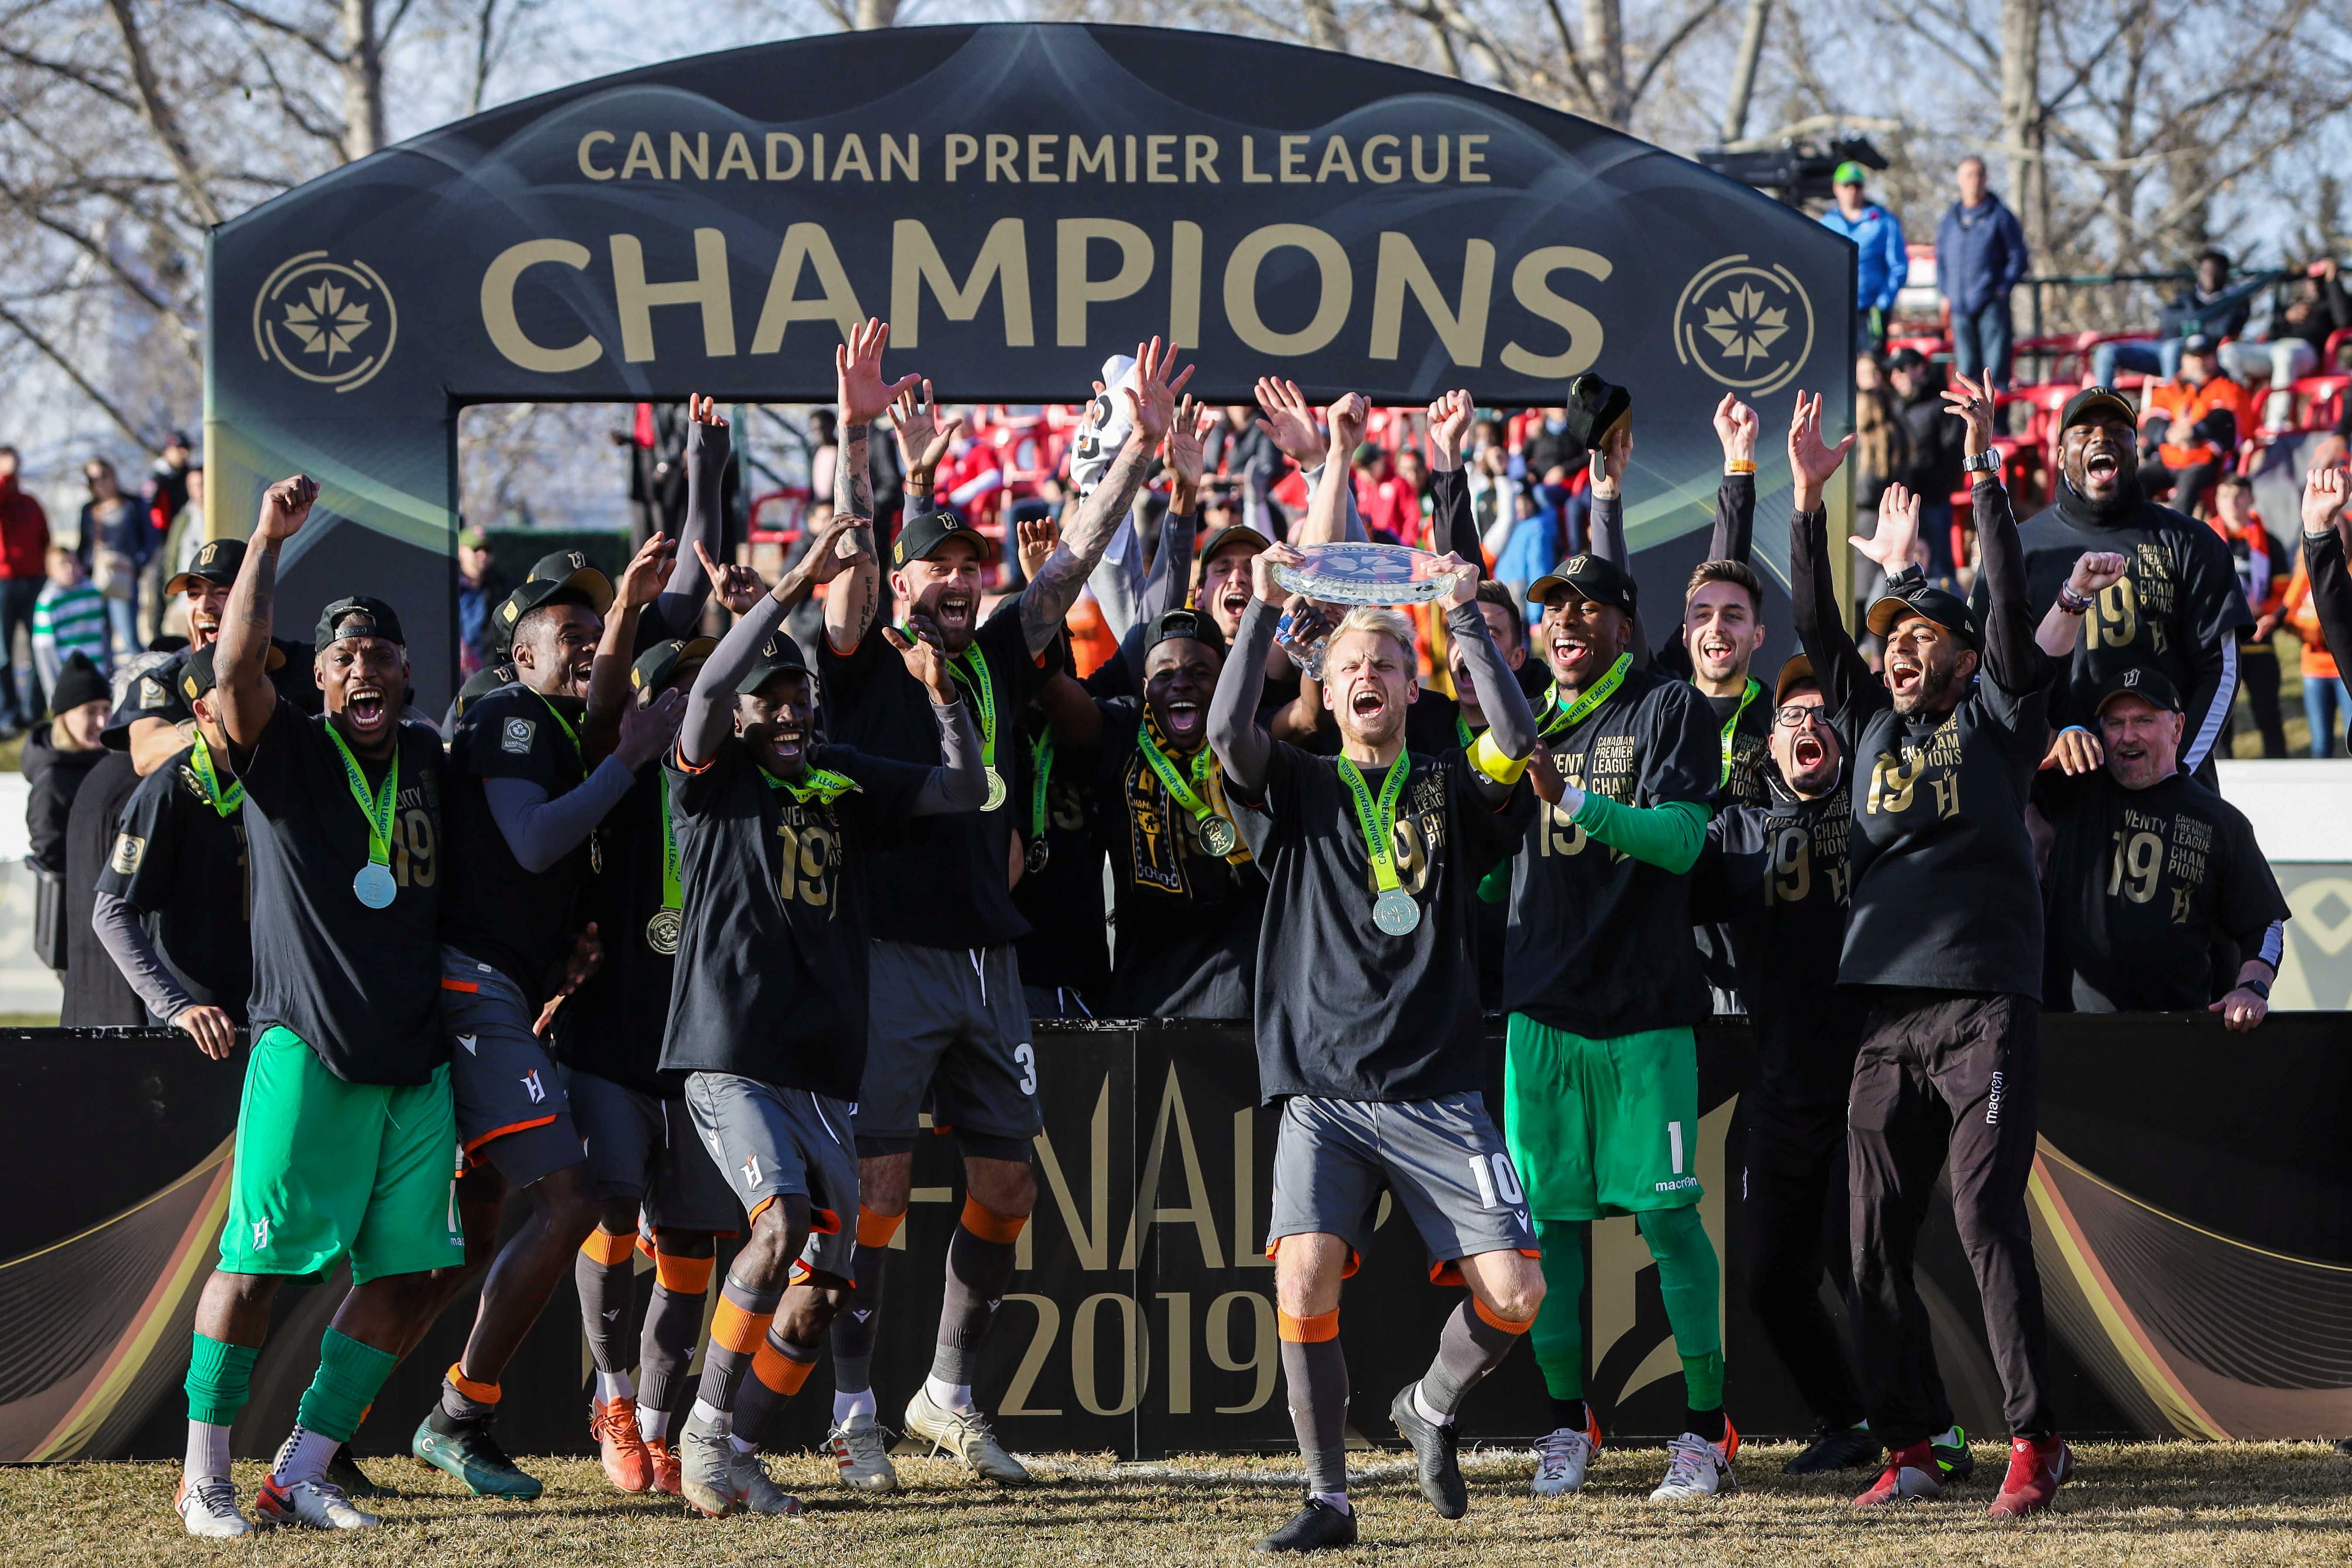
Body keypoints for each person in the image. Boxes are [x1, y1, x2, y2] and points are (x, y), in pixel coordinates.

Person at [817, 322, 1172, 1488]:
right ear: (898, 580)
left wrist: (1139, 455)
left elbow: (1068, 559)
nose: (962, 578)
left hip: (991, 963)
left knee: (1009, 1183)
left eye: (973, 563)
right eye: (940, 564)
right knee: (873, 1194)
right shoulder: (864, 657)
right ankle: (854, 1406)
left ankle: (947, 1391)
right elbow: (847, 556)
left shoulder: (1003, 653)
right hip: (890, 956)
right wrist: (859, 434)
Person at [1208, 529, 1540, 1552]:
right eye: (1349, 664)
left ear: (1410, 684)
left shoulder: (1446, 780)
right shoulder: (1300, 782)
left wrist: (1462, 611)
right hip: (1323, 1084)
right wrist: (1264, 606)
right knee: (1300, 1272)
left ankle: (1430, 1406)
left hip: (1439, 1083)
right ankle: (1329, 1497)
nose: (1366, 677)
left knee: (1518, 1295)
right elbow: (1227, 731)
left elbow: (1518, 740)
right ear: (1329, 681)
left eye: (1386, 665)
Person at [1790, 376, 2072, 1518]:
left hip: (1983, 1007)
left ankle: (2034, 1438)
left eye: (1922, 639)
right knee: (1863, 1240)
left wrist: (1987, 472)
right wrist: (1805, 506)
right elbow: (1816, 627)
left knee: (1983, 1220)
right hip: (1883, 1014)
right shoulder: (1864, 723)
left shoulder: (1998, 714)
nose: (1901, 654)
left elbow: (2007, 609)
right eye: (1892, 641)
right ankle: (1906, 1443)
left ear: (1962, 655)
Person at [665, 543, 986, 1520]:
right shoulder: (713, 780)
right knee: (780, 1226)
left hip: (820, 1069)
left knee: (829, 1276)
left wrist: (945, 699)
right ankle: (703, 1432)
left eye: (799, 694)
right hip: (732, 1052)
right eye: (772, 699)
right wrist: (793, 589)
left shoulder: (842, 776)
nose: (790, 710)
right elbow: (715, 681)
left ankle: (745, 1445)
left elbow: (963, 789)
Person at [172, 475, 459, 1537]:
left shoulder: (430, 756)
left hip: (415, 1061)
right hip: (310, 1046)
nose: (361, 668)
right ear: (322, 680)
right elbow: (234, 664)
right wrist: (267, 543)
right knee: (252, 1269)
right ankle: (205, 1473)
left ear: (408, 673)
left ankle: (301, 1468)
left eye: (380, 655)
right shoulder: (286, 747)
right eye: (342, 657)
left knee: (419, 1270)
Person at [407, 532, 683, 1501]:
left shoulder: (559, 729)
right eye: (562, 631)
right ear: (518, 654)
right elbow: (528, 842)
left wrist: (566, 944)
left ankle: (333, 1427)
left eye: (588, 631)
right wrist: (631, 760)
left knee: (462, 1240)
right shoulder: (512, 717)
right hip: (472, 990)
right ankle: (460, 1410)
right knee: (569, 1201)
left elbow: (530, 871)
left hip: (503, 989)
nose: (579, 647)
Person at [556, 395, 773, 1497]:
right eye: (673, 678)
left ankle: (651, 1410)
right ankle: (607, 1391)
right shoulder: (626, 749)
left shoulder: (741, 783)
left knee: (689, 1241)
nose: (692, 692)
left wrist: (709, 468)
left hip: (703, 1042)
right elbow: (605, 702)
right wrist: (699, 467)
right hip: (613, 1025)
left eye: (708, 678)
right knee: (610, 1215)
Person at [1498, 539, 1735, 1502]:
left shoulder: (1667, 705)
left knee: (1668, 1216)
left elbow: (1682, 841)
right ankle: (1567, 1422)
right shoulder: (1522, 720)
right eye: (1554, 606)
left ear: (1627, 626)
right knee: (1547, 1229)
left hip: (1643, 1009)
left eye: (1587, 608)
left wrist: (1578, 798)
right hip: (1540, 1013)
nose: (1565, 621)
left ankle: (1703, 1427)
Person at [1687, 655, 1878, 1477]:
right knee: (1768, 1276)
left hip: (1874, 1078)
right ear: (1766, 743)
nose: (1808, 725)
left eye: (1822, 713)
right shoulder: (1736, 830)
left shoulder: (1877, 811)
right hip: (1781, 1084)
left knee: (1864, 1261)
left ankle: (1924, 1424)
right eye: (1791, 715)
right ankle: (1846, 1419)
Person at [1986, 385, 2250, 783]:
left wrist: (2176, 775)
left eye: (2116, 429)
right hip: (2057, 797)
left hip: (2171, 790)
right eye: (2084, 431)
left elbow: (2221, 670)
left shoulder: (2192, 541)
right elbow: (1992, 678)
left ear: (2137, 448)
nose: (2101, 437)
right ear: (2060, 456)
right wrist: (2041, 746)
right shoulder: (2019, 548)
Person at [2032, 665, 2287, 1022]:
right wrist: (2062, 736)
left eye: (2144, 721)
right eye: (2115, 723)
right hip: (2071, 1028)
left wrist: (2252, 989)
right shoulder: (2075, 789)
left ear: (2178, 728)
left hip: (2178, 1034)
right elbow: (2007, 733)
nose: (2128, 736)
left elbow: (2266, 924)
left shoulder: (2222, 822)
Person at [1047, 606, 1265, 1019]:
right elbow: (1061, 697)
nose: (1182, 682)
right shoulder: (1123, 728)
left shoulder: (1250, 737)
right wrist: (1047, 595)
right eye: (1165, 674)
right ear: (1146, 687)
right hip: (1146, 987)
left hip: (1244, 981)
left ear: (1224, 684)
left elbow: (1306, 720)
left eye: (1201, 673)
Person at [91, 644, 252, 1052]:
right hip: (201, 1037)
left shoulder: (276, 774)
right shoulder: (168, 788)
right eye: (235, 688)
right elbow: (110, 914)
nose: (255, 695)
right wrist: (176, 1007)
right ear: (202, 712)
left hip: (274, 1021)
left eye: (259, 682)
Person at [103, 537, 319, 777]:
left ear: (259, 603)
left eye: (221, 592)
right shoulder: (164, 678)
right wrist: (218, 733)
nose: (204, 606)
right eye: (194, 594)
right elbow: (146, 753)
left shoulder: (305, 663)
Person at [2209, 475, 2290, 757]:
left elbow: (2283, 594)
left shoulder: (2271, 543)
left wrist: (2266, 614)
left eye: (2239, 495)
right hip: (2218, 645)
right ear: (2216, 501)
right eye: (2225, 495)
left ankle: (2279, 779)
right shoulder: (2203, 541)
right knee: (2217, 724)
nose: (2232, 503)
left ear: (2251, 499)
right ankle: (2215, 792)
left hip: (2259, 640)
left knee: (2268, 715)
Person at [1935, 158, 2031, 390]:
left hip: (1991, 305)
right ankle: (1969, 425)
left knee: (1995, 371)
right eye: (1969, 175)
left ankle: (1998, 425)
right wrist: (1946, 293)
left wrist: (2002, 289)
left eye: (1979, 175)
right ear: (1959, 180)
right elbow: (1942, 260)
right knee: (1966, 371)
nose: (1974, 181)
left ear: (1986, 179)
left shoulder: (2001, 216)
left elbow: (2019, 258)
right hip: (1960, 307)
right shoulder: (1950, 220)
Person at [2090, 251, 2251, 388]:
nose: (2211, 276)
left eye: (2216, 271)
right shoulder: (2187, 297)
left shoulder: (2234, 302)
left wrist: (2190, 321)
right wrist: (2199, 320)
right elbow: (2166, 319)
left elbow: (2222, 330)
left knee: (2172, 349)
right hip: (2158, 348)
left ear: (2225, 273)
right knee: (2107, 351)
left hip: (2197, 354)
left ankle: (2172, 409)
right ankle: (2103, 404)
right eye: (2206, 271)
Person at [2222, 260, 2351, 427]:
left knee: (2285, 355)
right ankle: (2235, 418)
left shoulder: (2333, 302)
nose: (2312, 285)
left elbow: (2345, 320)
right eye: (2309, 280)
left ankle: (2276, 423)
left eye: (2319, 280)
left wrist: (2333, 280)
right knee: (2229, 352)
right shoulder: (2295, 304)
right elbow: (2272, 333)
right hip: (2274, 349)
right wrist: (2286, 318)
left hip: (2306, 353)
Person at [2138, 335, 2254, 518]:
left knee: (2190, 479)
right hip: (2170, 459)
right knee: (2137, 478)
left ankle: (2174, 537)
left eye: (2205, 356)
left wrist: (2193, 432)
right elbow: (2152, 423)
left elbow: (2225, 421)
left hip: (2207, 463)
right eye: (2194, 357)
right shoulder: (2169, 389)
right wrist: (2168, 434)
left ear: (2214, 358)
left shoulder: (2226, 387)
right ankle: (2137, 533)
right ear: (2184, 359)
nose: (2199, 362)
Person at [21, 651, 111, 879]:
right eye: (90, 712)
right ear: (64, 718)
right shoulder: (52, 781)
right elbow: (51, 858)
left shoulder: (109, 762)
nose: (102, 722)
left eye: (106, 710)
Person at [2292, 462, 2352, 755]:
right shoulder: (2308, 572)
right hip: (2316, 666)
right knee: (2322, 745)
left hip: (2334, 671)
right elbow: (2340, 615)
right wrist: (2319, 533)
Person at [1820, 162, 1907, 354]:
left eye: (1857, 186)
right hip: (1837, 311)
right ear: (1836, 188)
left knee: (1871, 367)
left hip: (1872, 311)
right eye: (1846, 185)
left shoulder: (1884, 221)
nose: (1852, 191)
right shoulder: (1826, 223)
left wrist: (1884, 301)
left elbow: (1898, 266)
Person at [77, 456, 150, 663]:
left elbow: (150, 539)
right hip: (96, 580)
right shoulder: (88, 510)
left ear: (113, 476)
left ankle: (145, 680)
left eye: (104, 476)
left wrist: (137, 564)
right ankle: (107, 688)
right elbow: (83, 545)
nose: (100, 483)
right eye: (93, 480)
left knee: (129, 638)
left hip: (123, 578)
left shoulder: (133, 505)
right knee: (101, 641)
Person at [0, 446, 52, 736]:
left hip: (34, 581)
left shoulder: (30, 503)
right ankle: (7, 715)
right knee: (3, 653)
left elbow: (45, 537)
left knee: (39, 647)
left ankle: (32, 711)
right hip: (3, 583)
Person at [32, 542, 107, 693]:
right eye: (63, 565)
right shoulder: (48, 601)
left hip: (98, 673)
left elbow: (104, 634)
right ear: (50, 570)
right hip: (69, 681)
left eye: (73, 562)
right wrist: (54, 693)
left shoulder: (93, 592)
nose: (70, 569)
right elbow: (44, 653)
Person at [456, 524, 511, 679]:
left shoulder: (504, 589)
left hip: (490, 676)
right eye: (476, 549)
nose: (482, 555)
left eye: (487, 550)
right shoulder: (445, 586)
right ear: (460, 551)